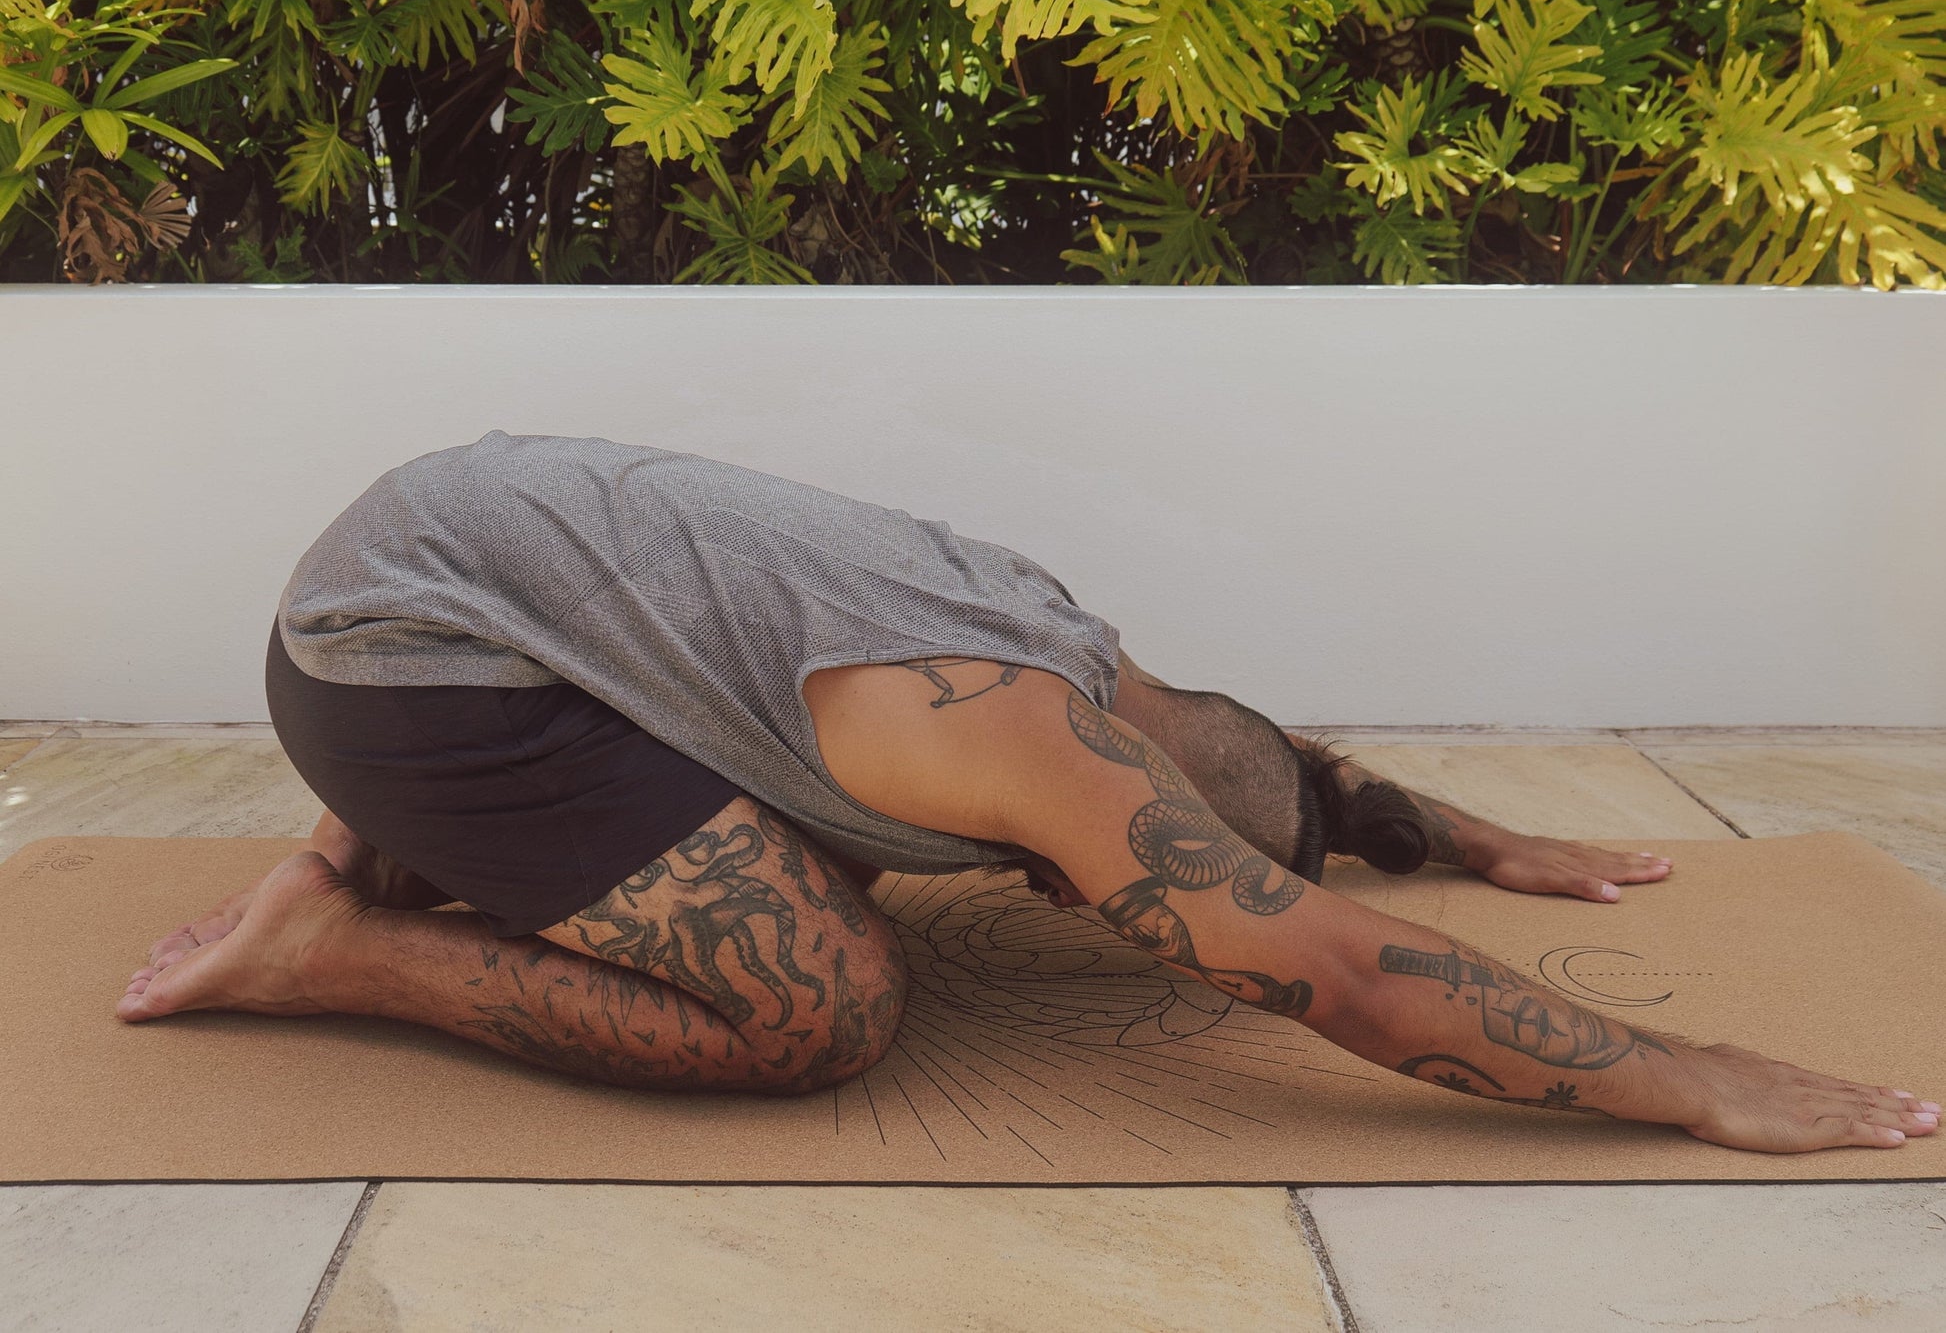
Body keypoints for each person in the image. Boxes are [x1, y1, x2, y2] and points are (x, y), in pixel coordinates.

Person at [118, 433, 1935, 1154]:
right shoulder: (1015, 730)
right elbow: (1342, 972)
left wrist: (1467, 836)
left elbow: (1265, 774)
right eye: (1123, 877)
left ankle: (399, 866)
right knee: (817, 1003)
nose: (1112, 905)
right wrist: (1695, 1080)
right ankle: (330, 940)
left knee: (810, 824)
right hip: (402, 669)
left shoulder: (1084, 646)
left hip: (456, 549)